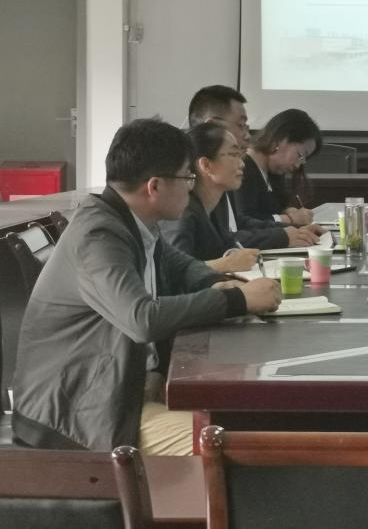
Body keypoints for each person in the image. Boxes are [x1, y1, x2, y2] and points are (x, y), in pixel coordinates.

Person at [12, 118, 281, 454]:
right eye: (187, 177)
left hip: (121, 389)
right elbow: (142, 319)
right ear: (154, 187)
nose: (191, 187)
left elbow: (181, 265)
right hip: (80, 410)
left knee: (245, 416)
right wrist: (237, 301)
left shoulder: (134, 221)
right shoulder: (99, 235)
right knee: (235, 445)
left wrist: (219, 284)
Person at [188, 86, 318, 249]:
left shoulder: (221, 179)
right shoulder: (186, 195)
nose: (248, 136)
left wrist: (289, 231)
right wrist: (283, 234)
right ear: (213, 127)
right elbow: (220, 242)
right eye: (240, 125)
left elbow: (234, 229)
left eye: (246, 126)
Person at [161, 122, 264, 271]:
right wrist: (226, 264)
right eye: (233, 154)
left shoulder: (216, 204)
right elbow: (174, 274)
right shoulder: (182, 212)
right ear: (206, 165)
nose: (242, 164)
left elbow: (230, 246)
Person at [238, 108, 322, 227]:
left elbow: (271, 210)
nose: (298, 165)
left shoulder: (273, 171)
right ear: (280, 139)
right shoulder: (241, 167)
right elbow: (242, 221)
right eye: (300, 155)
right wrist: (288, 219)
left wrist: (287, 211)